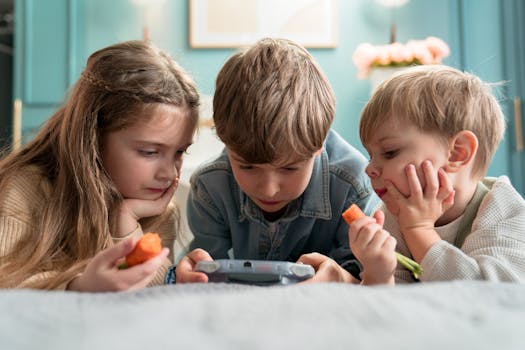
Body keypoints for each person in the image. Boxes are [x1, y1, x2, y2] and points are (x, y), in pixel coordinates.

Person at [172, 38, 378, 284]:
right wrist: (191, 273)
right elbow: (207, 273)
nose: (269, 189)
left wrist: (342, 279)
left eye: (289, 168)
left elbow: (369, 280)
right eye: (247, 166)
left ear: (319, 144)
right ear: (226, 143)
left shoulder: (352, 185)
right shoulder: (210, 186)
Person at [0, 40, 200, 291]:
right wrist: (77, 287)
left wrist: (125, 222)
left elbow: (151, 290)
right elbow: (6, 282)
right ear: (93, 138)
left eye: (180, 152)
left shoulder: (155, 210)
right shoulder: (24, 188)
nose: (169, 173)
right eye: (150, 152)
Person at [348, 64, 525, 284]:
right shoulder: (392, 216)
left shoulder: (504, 209)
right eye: (370, 155)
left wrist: (418, 230)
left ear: (457, 153)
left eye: (390, 152)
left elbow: (487, 295)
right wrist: (378, 274)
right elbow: (394, 310)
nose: (369, 168)